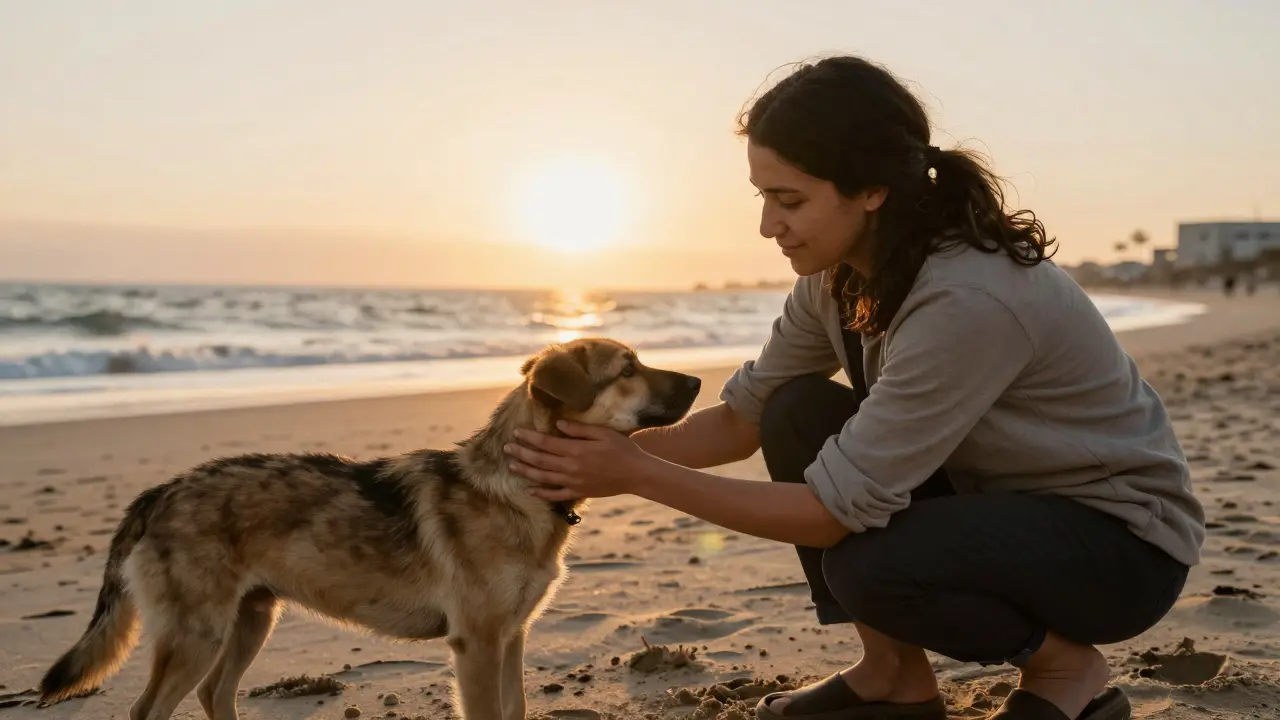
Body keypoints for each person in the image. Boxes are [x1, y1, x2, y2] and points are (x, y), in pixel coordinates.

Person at [504, 55, 1203, 720]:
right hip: (991, 503)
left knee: (872, 564)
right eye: (763, 196)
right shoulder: (835, 276)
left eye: (789, 200)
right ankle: (893, 675)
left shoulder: (967, 297)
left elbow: (831, 514)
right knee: (795, 409)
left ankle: (1065, 672)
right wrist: (579, 461)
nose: (766, 224)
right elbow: (741, 422)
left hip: (1117, 546)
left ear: (871, 189)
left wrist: (637, 472)